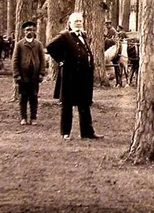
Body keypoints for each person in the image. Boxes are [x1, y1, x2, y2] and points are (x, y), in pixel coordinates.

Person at [47, 12, 103, 140]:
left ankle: (87, 132)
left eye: (80, 21)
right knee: (67, 105)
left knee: (84, 105)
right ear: (70, 23)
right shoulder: (65, 36)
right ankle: (65, 133)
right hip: (70, 77)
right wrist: (61, 60)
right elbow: (50, 47)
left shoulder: (83, 35)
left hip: (83, 78)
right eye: (76, 21)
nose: (78, 23)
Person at [12, 20, 46, 125]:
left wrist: (41, 73)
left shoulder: (38, 44)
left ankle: (33, 117)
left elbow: (42, 60)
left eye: (31, 30)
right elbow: (15, 60)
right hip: (23, 75)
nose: (29, 32)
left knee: (34, 97)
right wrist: (16, 74)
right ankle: (23, 117)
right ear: (24, 32)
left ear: (34, 31)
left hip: (34, 76)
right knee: (23, 97)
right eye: (27, 30)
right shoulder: (20, 45)